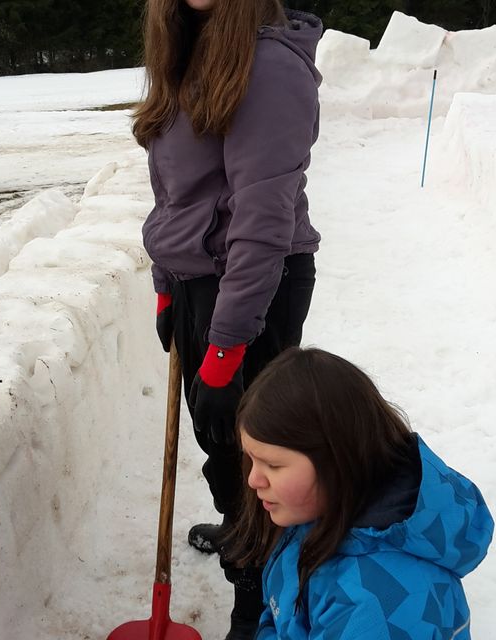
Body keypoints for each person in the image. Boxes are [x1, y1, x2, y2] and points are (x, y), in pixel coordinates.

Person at [132, 0, 323, 637]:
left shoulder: (268, 65)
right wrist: (166, 284)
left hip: (249, 287)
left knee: (254, 454)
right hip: (201, 284)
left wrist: (226, 344)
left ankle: (257, 595)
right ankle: (248, 537)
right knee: (225, 446)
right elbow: (174, 194)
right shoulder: (188, 53)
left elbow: (262, 222)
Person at [226, 346, 495, 639]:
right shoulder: (319, 509)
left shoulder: (377, 609)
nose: (253, 479)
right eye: (251, 458)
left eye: (273, 465)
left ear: (338, 460)